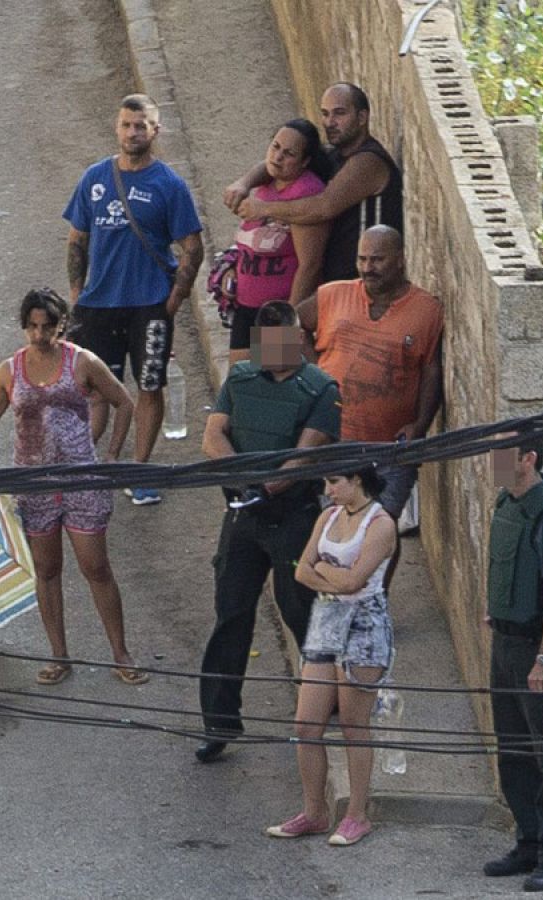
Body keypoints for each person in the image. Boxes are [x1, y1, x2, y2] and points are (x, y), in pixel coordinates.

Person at [0, 288, 150, 686]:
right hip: (34, 487)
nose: (39, 334)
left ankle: (121, 652)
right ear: (23, 327)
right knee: (47, 570)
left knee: (96, 568)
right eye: (32, 327)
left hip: (82, 482)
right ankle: (59, 656)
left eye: (47, 326)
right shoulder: (9, 371)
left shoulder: (82, 363)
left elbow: (124, 402)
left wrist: (113, 458)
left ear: (60, 326)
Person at [196, 302, 340, 762]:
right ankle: (218, 723)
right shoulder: (240, 379)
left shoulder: (321, 388)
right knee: (231, 615)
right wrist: (244, 481)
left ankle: (324, 702)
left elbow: (301, 459)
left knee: (301, 611)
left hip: (293, 516)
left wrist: (265, 481)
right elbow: (212, 436)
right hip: (244, 513)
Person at [65, 93, 205, 506]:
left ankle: (139, 470)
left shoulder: (169, 185)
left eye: (141, 125)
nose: (132, 132)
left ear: (155, 131)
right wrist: (77, 294)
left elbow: (192, 247)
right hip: (98, 305)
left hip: (149, 306)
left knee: (149, 385)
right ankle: (88, 469)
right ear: (117, 127)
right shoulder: (94, 179)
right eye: (126, 124)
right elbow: (78, 240)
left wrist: (175, 298)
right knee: (96, 390)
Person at [298, 225, 443, 586]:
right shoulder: (332, 295)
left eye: (377, 259)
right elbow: (281, 324)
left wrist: (421, 424)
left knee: (382, 529)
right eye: (362, 258)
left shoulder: (426, 310)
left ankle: (373, 602)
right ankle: (333, 598)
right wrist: (304, 377)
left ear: (400, 260)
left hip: (390, 447)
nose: (367, 267)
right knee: (334, 527)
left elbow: (431, 371)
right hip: (332, 443)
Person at [266, 466, 396, 847]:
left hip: (364, 625)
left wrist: (325, 569)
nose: (328, 490)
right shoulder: (328, 515)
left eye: (335, 482)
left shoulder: (380, 523)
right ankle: (314, 811)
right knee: (307, 724)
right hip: (327, 618)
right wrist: (330, 574)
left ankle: (357, 814)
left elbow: (355, 581)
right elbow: (301, 570)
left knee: (355, 725)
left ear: (357, 480)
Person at [482, 436, 543, 893]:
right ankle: (529, 840)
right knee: (514, 749)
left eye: (503, 456)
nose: (493, 464)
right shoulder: (507, 505)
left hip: (541, 655)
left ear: (529, 459)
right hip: (506, 646)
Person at [222, 82, 403, 287]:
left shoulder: (368, 161)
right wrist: (243, 183)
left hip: (364, 283)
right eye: (325, 114)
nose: (329, 122)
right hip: (337, 282)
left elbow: (322, 208)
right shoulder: (335, 153)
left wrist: (262, 209)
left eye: (339, 114)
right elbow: (276, 164)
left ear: (362, 118)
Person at [225, 118, 332, 364]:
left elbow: (310, 265)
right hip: (246, 307)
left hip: (277, 311)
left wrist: (288, 322)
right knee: (241, 387)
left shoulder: (304, 193)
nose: (278, 157)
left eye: (289, 153)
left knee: (271, 390)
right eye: (275, 147)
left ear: (305, 162)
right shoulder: (268, 181)